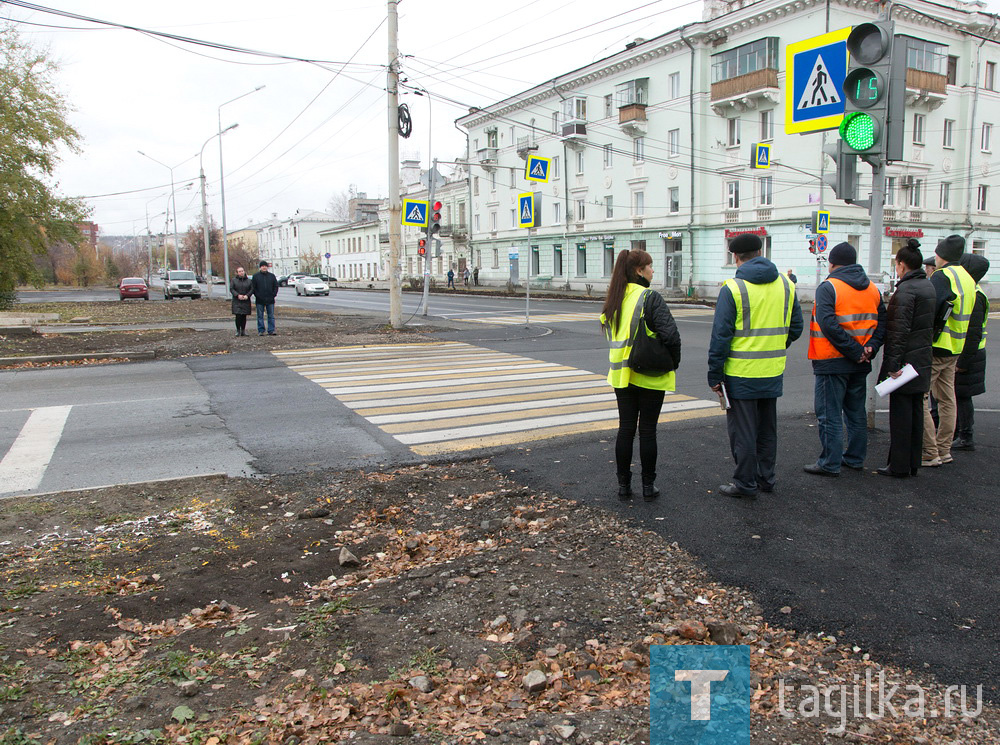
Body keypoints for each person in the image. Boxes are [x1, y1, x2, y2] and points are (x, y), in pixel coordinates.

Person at [708, 233, 803, 497]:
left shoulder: (733, 288)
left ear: (736, 257)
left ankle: (745, 484)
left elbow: (721, 337)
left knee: (743, 432)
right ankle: (766, 479)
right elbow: (795, 328)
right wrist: (773, 347)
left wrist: (714, 374)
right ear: (760, 252)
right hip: (772, 370)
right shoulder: (786, 284)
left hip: (741, 374)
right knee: (767, 430)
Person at [600, 248, 681, 502]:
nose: (653, 270)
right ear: (639, 270)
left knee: (625, 429)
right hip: (649, 376)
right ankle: (648, 487)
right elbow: (671, 337)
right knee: (647, 431)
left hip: (621, 376)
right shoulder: (649, 297)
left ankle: (624, 487)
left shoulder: (614, 298)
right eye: (650, 266)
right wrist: (672, 362)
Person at [804, 242, 886, 476]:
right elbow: (882, 323)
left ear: (832, 263)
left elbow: (829, 324)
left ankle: (829, 463)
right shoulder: (872, 288)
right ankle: (855, 458)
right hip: (860, 363)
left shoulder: (829, 287)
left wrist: (853, 350)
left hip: (832, 361)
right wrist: (869, 348)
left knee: (829, 414)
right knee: (855, 413)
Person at [876, 242, 936, 477]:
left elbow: (898, 333)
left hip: (905, 362)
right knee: (915, 413)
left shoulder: (906, 291)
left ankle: (898, 466)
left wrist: (892, 367)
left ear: (901, 265)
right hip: (922, 359)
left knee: (900, 415)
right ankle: (912, 463)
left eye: (897, 265)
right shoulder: (928, 286)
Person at [922, 234, 977, 467]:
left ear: (940, 254)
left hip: (937, 345)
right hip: (956, 346)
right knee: (947, 399)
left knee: (921, 398)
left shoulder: (942, 276)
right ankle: (944, 450)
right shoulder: (967, 277)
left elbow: (930, 309)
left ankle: (929, 452)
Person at [953, 253, 990, 451]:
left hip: (970, 355)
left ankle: (965, 437)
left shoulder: (975, 296)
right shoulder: (974, 292)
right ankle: (960, 433)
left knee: (963, 395)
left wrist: (962, 362)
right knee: (960, 394)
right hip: (972, 353)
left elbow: (973, 333)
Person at [251, 260, 279, 336]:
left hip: (270, 299)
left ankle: (271, 330)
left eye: (265, 266)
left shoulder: (271, 276)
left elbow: (276, 286)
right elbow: (253, 288)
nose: (264, 267)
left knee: (271, 316)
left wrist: (273, 294)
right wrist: (257, 295)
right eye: (262, 266)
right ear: (260, 267)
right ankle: (261, 330)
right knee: (260, 316)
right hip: (260, 300)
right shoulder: (256, 276)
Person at [230, 266, 252, 337]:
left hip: (245, 300)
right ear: (237, 273)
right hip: (237, 301)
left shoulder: (248, 281)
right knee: (238, 316)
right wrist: (237, 295)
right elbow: (232, 289)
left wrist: (247, 296)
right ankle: (238, 330)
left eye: (242, 271)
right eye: (239, 271)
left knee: (244, 316)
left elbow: (251, 289)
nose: (241, 272)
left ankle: (243, 330)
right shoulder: (234, 280)